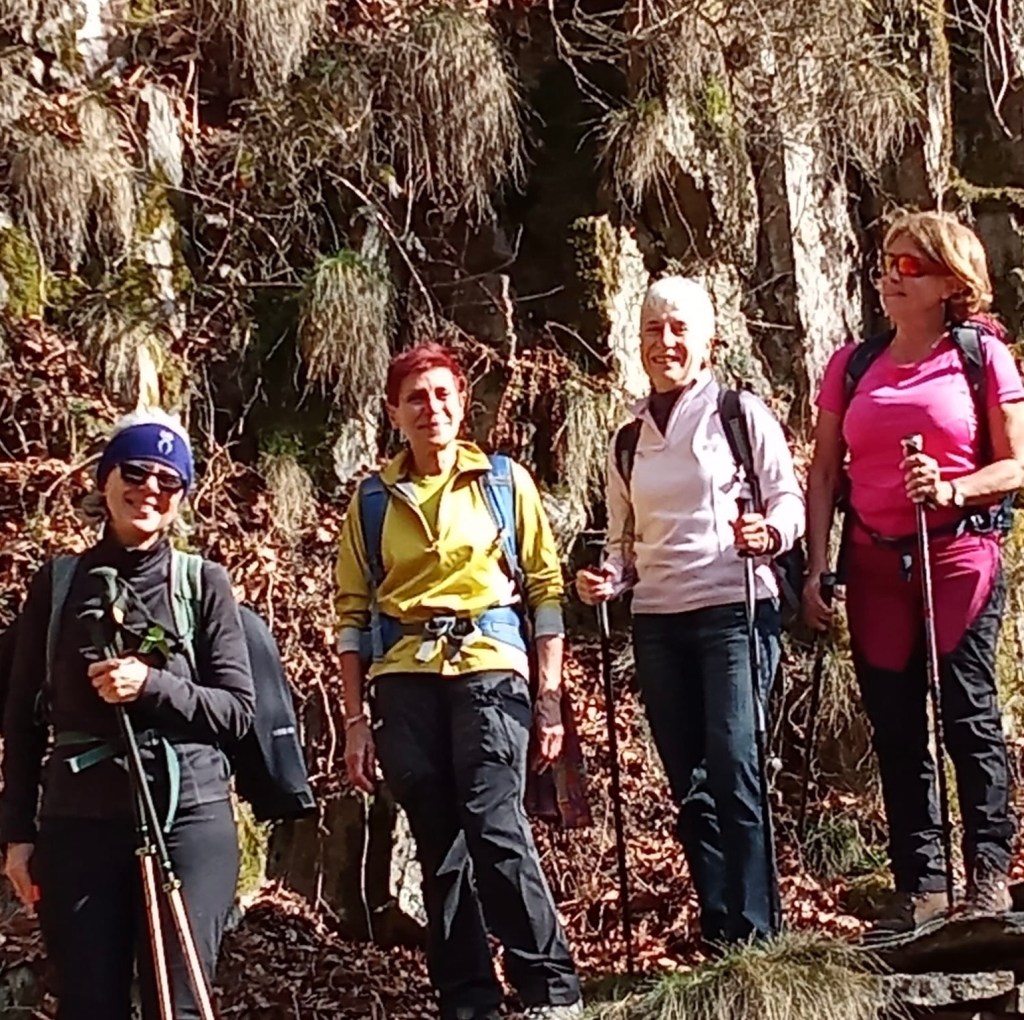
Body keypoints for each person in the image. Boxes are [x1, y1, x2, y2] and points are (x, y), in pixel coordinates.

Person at [336, 343, 583, 1020]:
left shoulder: (502, 482)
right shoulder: (371, 501)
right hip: (403, 678)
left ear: (463, 402)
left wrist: (549, 698)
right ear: (393, 412)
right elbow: (352, 614)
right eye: (415, 398)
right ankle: (467, 999)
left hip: (490, 668)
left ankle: (551, 988)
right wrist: (355, 721)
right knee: (436, 840)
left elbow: (545, 590)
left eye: (443, 394)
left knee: (494, 820)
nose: (431, 409)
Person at [803, 211, 1024, 932]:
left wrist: (953, 489)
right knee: (896, 727)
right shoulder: (852, 364)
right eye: (886, 263)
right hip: (873, 564)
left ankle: (987, 876)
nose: (890, 278)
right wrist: (816, 567)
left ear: (950, 282)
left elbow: (1016, 464)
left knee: (968, 717)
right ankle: (920, 885)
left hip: (958, 556)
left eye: (909, 267)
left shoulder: (982, 357)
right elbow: (824, 474)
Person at [0, 409, 255, 1019]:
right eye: (135, 472)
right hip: (78, 822)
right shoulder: (60, 584)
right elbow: (23, 717)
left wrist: (151, 686)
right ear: (106, 479)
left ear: (181, 498)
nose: (150, 490)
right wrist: (17, 836)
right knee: (89, 1004)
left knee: (178, 1005)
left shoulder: (203, 584)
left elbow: (237, 711)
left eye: (169, 481)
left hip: (187, 818)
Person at [576, 276, 804, 945]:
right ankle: (720, 930)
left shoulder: (739, 414)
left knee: (734, 764)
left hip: (735, 609)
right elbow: (625, 541)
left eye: (679, 329)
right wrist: (609, 578)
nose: (665, 342)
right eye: (653, 329)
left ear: (707, 342)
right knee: (690, 780)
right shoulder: (628, 439)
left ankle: (761, 932)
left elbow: (788, 500)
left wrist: (770, 532)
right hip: (658, 622)